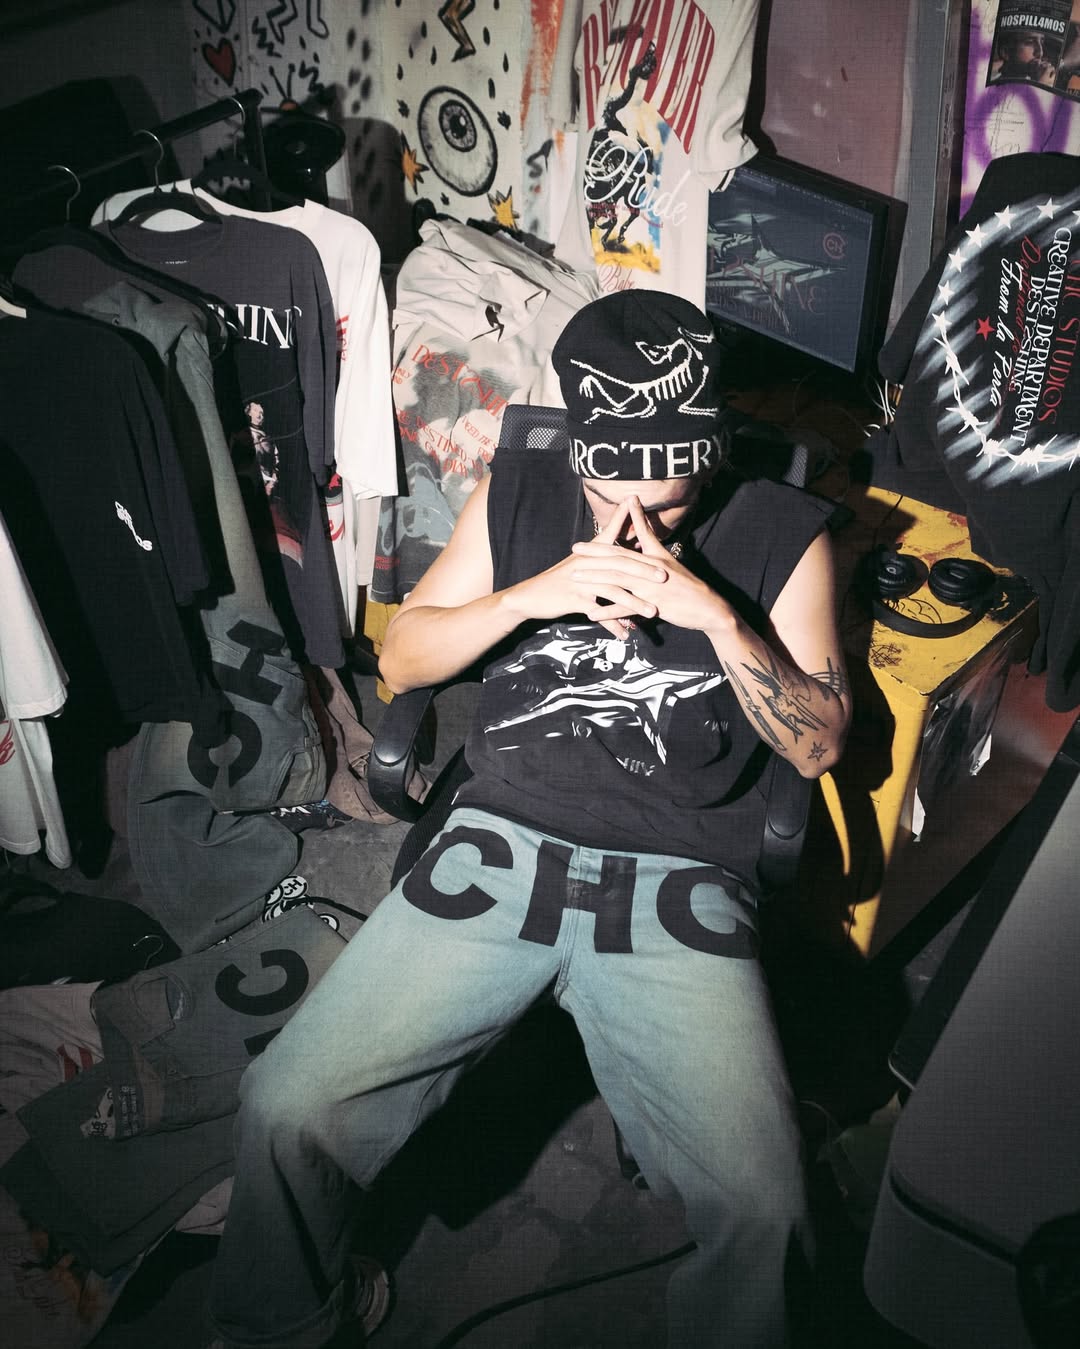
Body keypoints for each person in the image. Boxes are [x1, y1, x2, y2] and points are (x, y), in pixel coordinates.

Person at [206, 290, 852, 1348]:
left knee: (766, 1209)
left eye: (667, 505)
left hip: (678, 869)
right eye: (607, 495)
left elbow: (818, 744)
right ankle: (288, 1323)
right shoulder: (523, 487)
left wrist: (717, 617)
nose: (633, 531)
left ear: (709, 466)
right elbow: (402, 659)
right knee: (285, 1105)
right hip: (504, 833)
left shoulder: (782, 532)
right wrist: (527, 595)